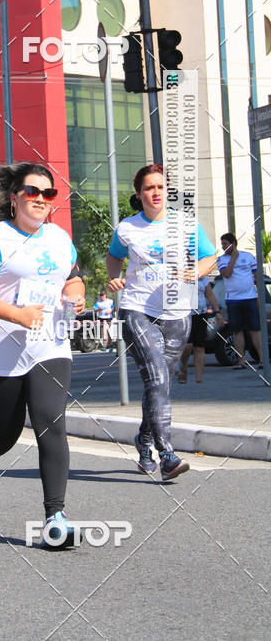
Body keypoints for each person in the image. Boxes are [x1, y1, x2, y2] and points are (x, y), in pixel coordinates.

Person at [0, 162, 85, 549]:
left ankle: (55, 518)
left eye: (48, 194)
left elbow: (73, 275)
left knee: (51, 422)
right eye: (32, 192)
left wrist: (75, 293)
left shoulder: (60, 239)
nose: (41, 200)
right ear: (14, 198)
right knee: (6, 433)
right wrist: (16, 314)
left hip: (49, 344)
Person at [107, 164, 217, 481]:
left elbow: (210, 257)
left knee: (160, 385)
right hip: (137, 308)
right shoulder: (127, 228)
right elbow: (114, 257)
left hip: (178, 313)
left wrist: (197, 271)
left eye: (160, 187)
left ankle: (142, 442)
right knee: (157, 380)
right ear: (139, 193)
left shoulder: (186, 223)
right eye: (149, 188)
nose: (155, 192)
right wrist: (114, 278)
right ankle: (166, 455)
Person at [217, 232, 263, 369]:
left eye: (225, 243)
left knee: (255, 329)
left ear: (233, 243)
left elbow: (257, 277)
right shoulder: (221, 259)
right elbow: (227, 274)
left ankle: (261, 360)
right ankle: (241, 361)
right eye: (222, 244)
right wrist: (233, 259)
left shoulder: (248, 256)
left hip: (250, 298)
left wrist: (259, 296)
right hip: (233, 300)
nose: (223, 246)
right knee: (237, 331)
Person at [178, 277, 223, 383]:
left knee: (199, 347)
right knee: (187, 346)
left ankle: (199, 378)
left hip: (200, 313)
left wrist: (217, 312)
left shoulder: (203, 275)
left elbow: (210, 294)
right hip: (184, 314)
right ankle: (183, 366)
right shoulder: (179, 271)